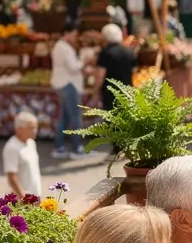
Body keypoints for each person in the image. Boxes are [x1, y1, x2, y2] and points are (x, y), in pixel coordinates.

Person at [50, 25, 85, 158]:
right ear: (67, 33)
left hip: (62, 84)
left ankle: (59, 147)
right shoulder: (64, 48)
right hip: (68, 84)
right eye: (74, 34)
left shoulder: (59, 46)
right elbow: (73, 67)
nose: (75, 37)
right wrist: (83, 61)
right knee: (75, 117)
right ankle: (77, 148)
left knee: (64, 118)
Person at [93, 23, 137, 111]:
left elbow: (100, 74)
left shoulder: (105, 53)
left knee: (111, 120)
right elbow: (134, 70)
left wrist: (96, 90)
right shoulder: (129, 52)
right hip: (127, 91)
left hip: (110, 93)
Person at [2, 110, 41, 199]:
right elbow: (12, 177)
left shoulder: (31, 143)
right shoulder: (12, 147)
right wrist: (24, 198)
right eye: (31, 128)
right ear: (20, 129)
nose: (35, 131)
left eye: (36, 127)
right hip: (24, 199)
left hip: (35, 195)